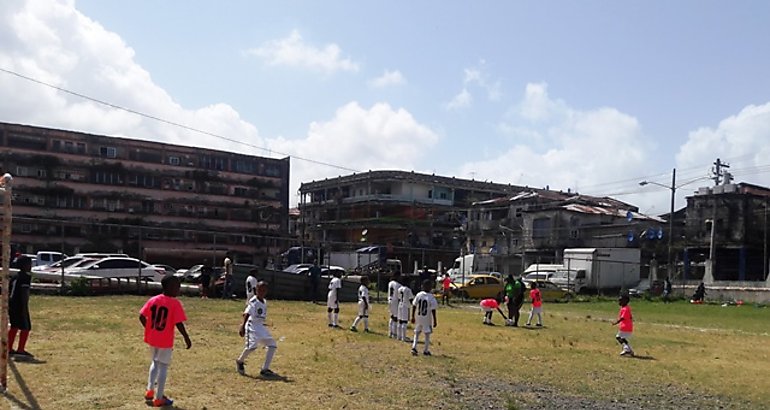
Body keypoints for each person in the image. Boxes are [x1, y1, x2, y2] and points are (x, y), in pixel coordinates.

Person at [139, 275, 192, 408]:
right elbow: (179, 323)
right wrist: (186, 337)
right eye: (177, 287)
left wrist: (149, 328)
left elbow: (141, 316)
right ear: (169, 287)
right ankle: (159, 398)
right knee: (163, 366)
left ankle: (150, 390)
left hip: (153, 338)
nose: (178, 290)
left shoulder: (153, 300)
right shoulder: (174, 303)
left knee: (155, 362)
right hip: (165, 340)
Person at [236, 281, 278, 377]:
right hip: (252, 326)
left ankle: (265, 369)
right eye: (260, 290)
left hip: (260, 326)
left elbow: (259, 315)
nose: (262, 292)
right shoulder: (254, 301)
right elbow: (247, 313)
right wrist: (243, 326)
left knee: (272, 345)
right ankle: (240, 361)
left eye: (264, 290)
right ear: (256, 290)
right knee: (252, 346)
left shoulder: (264, 302)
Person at [8, 255, 34, 357]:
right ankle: (20, 349)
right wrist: (24, 307)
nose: (31, 265)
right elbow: (24, 292)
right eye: (29, 263)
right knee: (26, 327)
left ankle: (9, 348)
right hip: (20, 305)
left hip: (11, 304)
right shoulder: (26, 277)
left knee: (14, 326)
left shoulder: (14, 277)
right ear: (25, 265)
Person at [411, 279, 438, 356]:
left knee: (417, 332)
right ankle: (426, 350)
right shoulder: (431, 297)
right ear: (430, 287)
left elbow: (414, 305)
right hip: (426, 318)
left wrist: (413, 316)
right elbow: (433, 310)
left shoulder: (419, 295)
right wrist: (435, 320)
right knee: (427, 334)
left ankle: (414, 347)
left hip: (419, 316)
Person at [387, 271, 402, 338]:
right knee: (396, 318)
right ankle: (394, 333)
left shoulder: (390, 283)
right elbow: (399, 296)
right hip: (395, 301)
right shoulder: (398, 285)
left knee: (392, 316)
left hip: (390, 300)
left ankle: (390, 332)